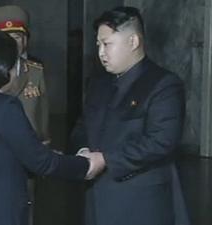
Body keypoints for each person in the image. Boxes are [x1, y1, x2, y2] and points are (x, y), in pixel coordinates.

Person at [0, 29, 105, 225]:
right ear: (3, 68)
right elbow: (42, 162)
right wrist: (86, 165)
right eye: (16, 64)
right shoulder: (5, 108)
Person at [70, 6, 190, 225]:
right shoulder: (98, 84)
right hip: (97, 201)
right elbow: (81, 127)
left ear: (133, 42)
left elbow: (161, 141)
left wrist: (106, 159)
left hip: (140, 204)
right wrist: (83, 150)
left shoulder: (163, 85)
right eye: (98, 45)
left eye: (107, 44)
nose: (100, 53)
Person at [0, 5, 50, 145]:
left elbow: (42, 116)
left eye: (17, 37)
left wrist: (45, 145)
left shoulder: (35, 72)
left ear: (25, 40)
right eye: (6, 38)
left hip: (31, 150)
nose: (12, 43)